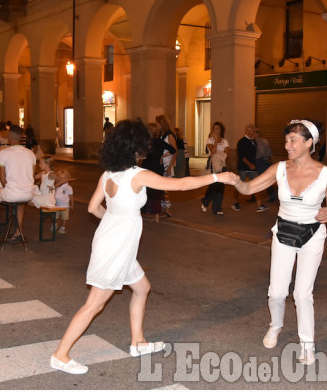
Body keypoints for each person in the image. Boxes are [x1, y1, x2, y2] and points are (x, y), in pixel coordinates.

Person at [50, 119, 238, 375]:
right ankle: (60, 355)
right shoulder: (138, 175)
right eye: (143, 145)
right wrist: (218, 176)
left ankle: (138, 342)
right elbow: (181, 184)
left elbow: (93, 208)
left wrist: (115, 222)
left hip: (113, 240)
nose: (146, 149)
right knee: (94, 303)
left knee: (142, 287)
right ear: (134, 147)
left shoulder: (108, 174)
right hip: (116, 246)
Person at [233, 119, 327, 366]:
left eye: (293, 140)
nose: (287, 144)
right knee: (277, 291)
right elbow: (249, 188)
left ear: (308, 142)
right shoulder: (280, 168)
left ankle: (307, 345)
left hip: (312, 235)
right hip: (283, 233)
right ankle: (275, 325)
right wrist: (235, 182)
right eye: (287, 139)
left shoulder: (326, 174)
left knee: (303, 293)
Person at [0, 125, 36, 243]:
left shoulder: (4, 153)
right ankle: (18, 231)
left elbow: (2, 179)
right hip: (28, 193)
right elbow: (32, 175)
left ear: (9, 137)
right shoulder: (31, 154)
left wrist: (8, 188)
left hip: (12, 192)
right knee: (20, 203)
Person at [230, 124, 266, 212]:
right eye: (249, 130)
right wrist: (250, 164)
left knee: (256, 185)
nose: (250, 132)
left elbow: (253, 156)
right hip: (243, 168)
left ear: (254, 131)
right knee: (238, 186)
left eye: (252, 130)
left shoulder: (254, 142)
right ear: (246, 131)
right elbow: (242, 156)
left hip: (252, 169)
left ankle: (259, 205)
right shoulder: (241, 141)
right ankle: (235, 202)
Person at [200, 121, 229, 215]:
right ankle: (205, 201)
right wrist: (216, 140)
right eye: (214, 128)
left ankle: (217, 209)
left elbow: (227, 154)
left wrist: (220, 157)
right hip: (212, 165)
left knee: (220, 186)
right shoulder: (210, 140)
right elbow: (212, 150)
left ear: (221, 130)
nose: (215, 130)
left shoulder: (225, 141)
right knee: (213, 185)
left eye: (217, 128)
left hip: (221, 165)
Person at [255, 129, 277, 203]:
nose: (253, 135)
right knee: (267, 179)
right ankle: (272, 196)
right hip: (266, 161)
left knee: (259, 179)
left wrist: (264, 159)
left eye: (254, 133)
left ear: (257, 134)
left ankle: (256, 196)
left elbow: (262, 152)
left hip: (261, 162)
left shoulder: (259, 142)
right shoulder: (264, 140)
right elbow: (270, 151)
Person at [54, 169, 74, 234]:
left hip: (65, 206)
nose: (62, 179)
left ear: (67, 178)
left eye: (64, 178)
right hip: (56, 205)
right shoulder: (57, 186)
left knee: (65, 217)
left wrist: (72, 204)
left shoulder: (68, 187)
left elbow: (71, 196)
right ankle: (55, 224)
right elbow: (53, 188)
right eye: (60, 178)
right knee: (55, 216)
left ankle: (63, 227)